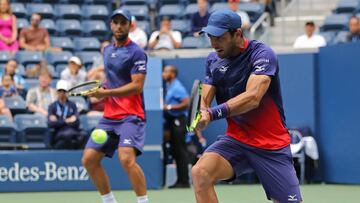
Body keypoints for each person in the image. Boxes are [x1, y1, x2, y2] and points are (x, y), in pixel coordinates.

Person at [191, 10, 302, 203]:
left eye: (220, 37)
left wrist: (212, 113)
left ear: (237, 33)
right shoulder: (213, 59)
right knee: (200, 172)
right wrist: (203, 112)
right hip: (236, 141)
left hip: (271, 145)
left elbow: (253, 98)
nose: (214, 42)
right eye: (210, 36)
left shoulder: (262, 54)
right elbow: (208, 89)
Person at [82, 9, 149, 203]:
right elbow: (112, 80)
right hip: (109, 116)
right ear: (111, 25)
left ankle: (143, 201)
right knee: (89, 160)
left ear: (130, 26)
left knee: (126, 159)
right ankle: (109, 201)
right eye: (116, 22)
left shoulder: (137, 53)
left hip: (131, 115)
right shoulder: (107, 50)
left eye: (123, 23)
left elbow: (137, 86)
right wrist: (100, 88)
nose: (119, 26)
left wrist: (106, 93)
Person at [162, 65, 190, 188]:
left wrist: (169, 107)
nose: (163, 74)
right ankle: (180, 180)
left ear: (172, 74)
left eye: (166, 72)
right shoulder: (170, 86)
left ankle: (184, 181)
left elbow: (186, 103)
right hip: (173, 122)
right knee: (176, 152)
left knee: (181, 151)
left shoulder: (177, 87)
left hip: (179, 121)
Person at [48, 80, 84, 149]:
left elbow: (77, 122)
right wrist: (67, 121)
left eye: (64, 91)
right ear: (57, 92)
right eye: (60, 91)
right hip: (58, 132)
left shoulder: (72, 105)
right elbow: (51, 123)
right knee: (67, 135)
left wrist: (58, 121)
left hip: (72, 130)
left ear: (67, 92)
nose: (62, 93)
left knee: (83, 135)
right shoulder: (52, 106)